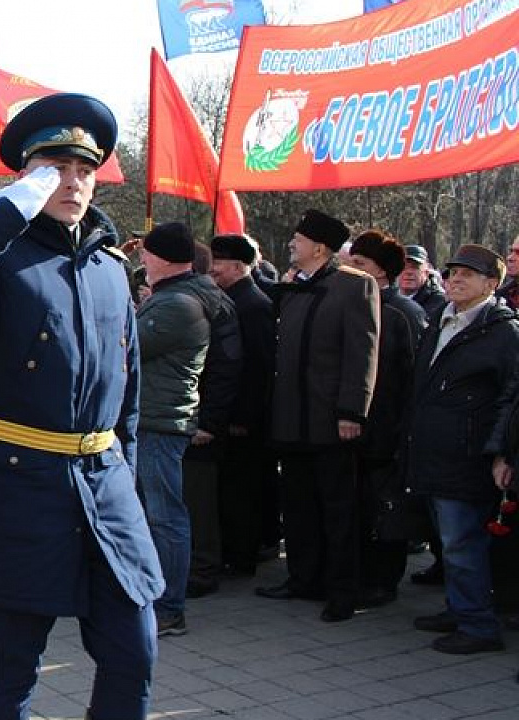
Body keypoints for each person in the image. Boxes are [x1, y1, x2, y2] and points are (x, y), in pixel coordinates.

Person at [0, 93, 163, 720]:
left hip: (105, 490)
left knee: (134, 653)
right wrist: (4, 213)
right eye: (53, 168)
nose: (72, 182)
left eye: (84, 169)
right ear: (24, 176)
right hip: (18, 489)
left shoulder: (109, 267)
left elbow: (125, 391)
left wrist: (126, 479)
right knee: (11, 673)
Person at [256, 209, 379, 623]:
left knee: (338, 509)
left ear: (320, 248)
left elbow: (362, 354)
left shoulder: (354, 286)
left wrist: (352, 411)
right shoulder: (294, 287)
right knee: (299, 506)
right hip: (291, 420)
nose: (292, 244)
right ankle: (303, 578)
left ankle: (342, 590)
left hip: (330, 421)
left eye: (299, 239)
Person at [407, 245, 518, 655]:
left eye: (467, 274)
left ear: (491, 284)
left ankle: (478, 624)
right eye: (453, 272)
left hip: (468, 457)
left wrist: (501, 452)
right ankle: (460, 609)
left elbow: (511, 400)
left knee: (462, 542)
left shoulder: (504, 333)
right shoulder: (441, 318)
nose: (455, 279)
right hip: (433, 451)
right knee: (448, 540)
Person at [135, 222, 240, 634]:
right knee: (156, 515)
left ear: (162, 258)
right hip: (157, 418)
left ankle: (169, 608)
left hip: (161, 422)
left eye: (146, 253)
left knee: (165, 518)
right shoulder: (176, 297)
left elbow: (126, 346)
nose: (142, 259)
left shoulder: (177, 304)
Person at [344, 230, 424, 607]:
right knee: (357, 507)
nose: (351, 269)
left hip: (386, 430)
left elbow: (411, 380)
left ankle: (382, 580)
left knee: (384, 508)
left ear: (381, 271)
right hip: (353, 429)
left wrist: (398, 430)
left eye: (360, 264)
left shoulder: (403, 313)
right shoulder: (353, 302)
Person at [208, 234, 276, 577]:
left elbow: (257, 368)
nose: (212, 269)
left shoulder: (254, 305)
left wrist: (243, 417)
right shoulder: (231, 299)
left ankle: (243, 555)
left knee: (243, 490)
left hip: (243, 418)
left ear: (237, 266)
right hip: (228, 412)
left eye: (218, 263)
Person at [399, 244, 448, 318]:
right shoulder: (387, 298)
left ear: (426, 272)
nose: (408, 272)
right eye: (403, 267)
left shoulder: (440, 302)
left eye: (415, 267)